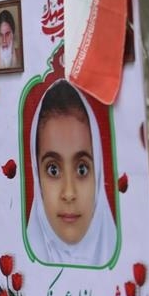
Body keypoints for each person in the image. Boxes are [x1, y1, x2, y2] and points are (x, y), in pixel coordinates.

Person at [27, 79, 116, 266]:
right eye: (53, 170)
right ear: (37, 177)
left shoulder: (121, 260)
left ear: (98, 175)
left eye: (82, 169)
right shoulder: (22, 268)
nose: (68, 193)